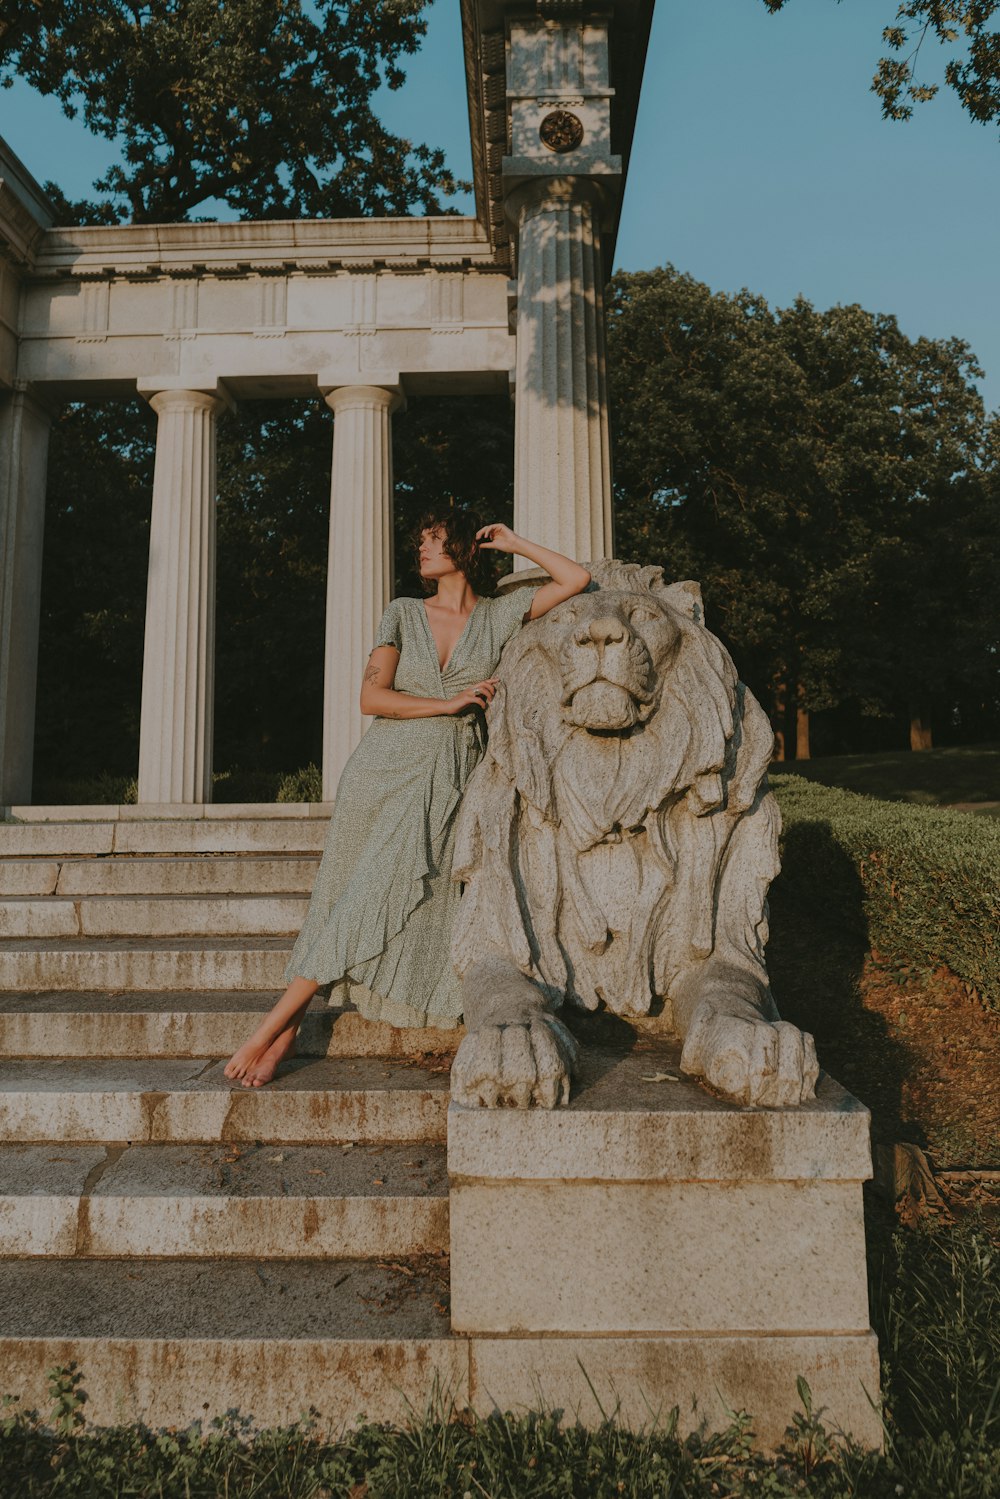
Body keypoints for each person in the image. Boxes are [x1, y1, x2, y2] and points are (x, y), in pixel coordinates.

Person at [224, 514, 591, 1087]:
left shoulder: (496, 616)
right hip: (381, 771)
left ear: (465, 549)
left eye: (434, 539)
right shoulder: (402, 611)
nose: (421, 548)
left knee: (371, 896)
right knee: (341, 901)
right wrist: (447, 705)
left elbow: (574, 579)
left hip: (446, 777)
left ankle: (272, 1030)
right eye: (420, 540)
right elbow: (372, 697)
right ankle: (280, 1030)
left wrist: (515, 543)